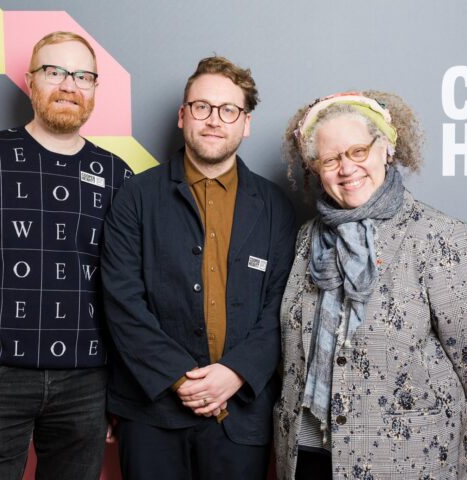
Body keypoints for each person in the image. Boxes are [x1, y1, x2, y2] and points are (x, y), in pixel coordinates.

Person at [0, 31, 131, 479]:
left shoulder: (117, 175)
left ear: (94, 89)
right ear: (30, 81)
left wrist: (117, 385)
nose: (69, 85)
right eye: (54, 72)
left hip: (87, 382)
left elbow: (127, 287)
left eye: (83, 76)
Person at [273, 91, 467, 479]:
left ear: (385, 148)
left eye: (358, 151)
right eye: (331, 159)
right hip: (308, 452)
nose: (346, 168)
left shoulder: (438, 236)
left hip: (409, 457)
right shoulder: (306, 240)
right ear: (315, 168)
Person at [101, 56, 296, 480]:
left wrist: (234, 373)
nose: (214, 120)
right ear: (182, 115)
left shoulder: (275, 207)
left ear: (246, 123)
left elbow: (283, 308)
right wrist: (179, 379)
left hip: (241, 415)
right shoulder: (134, 197)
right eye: (202, 107)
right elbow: (122, 302)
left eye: (229, 110)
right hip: (151, 413)